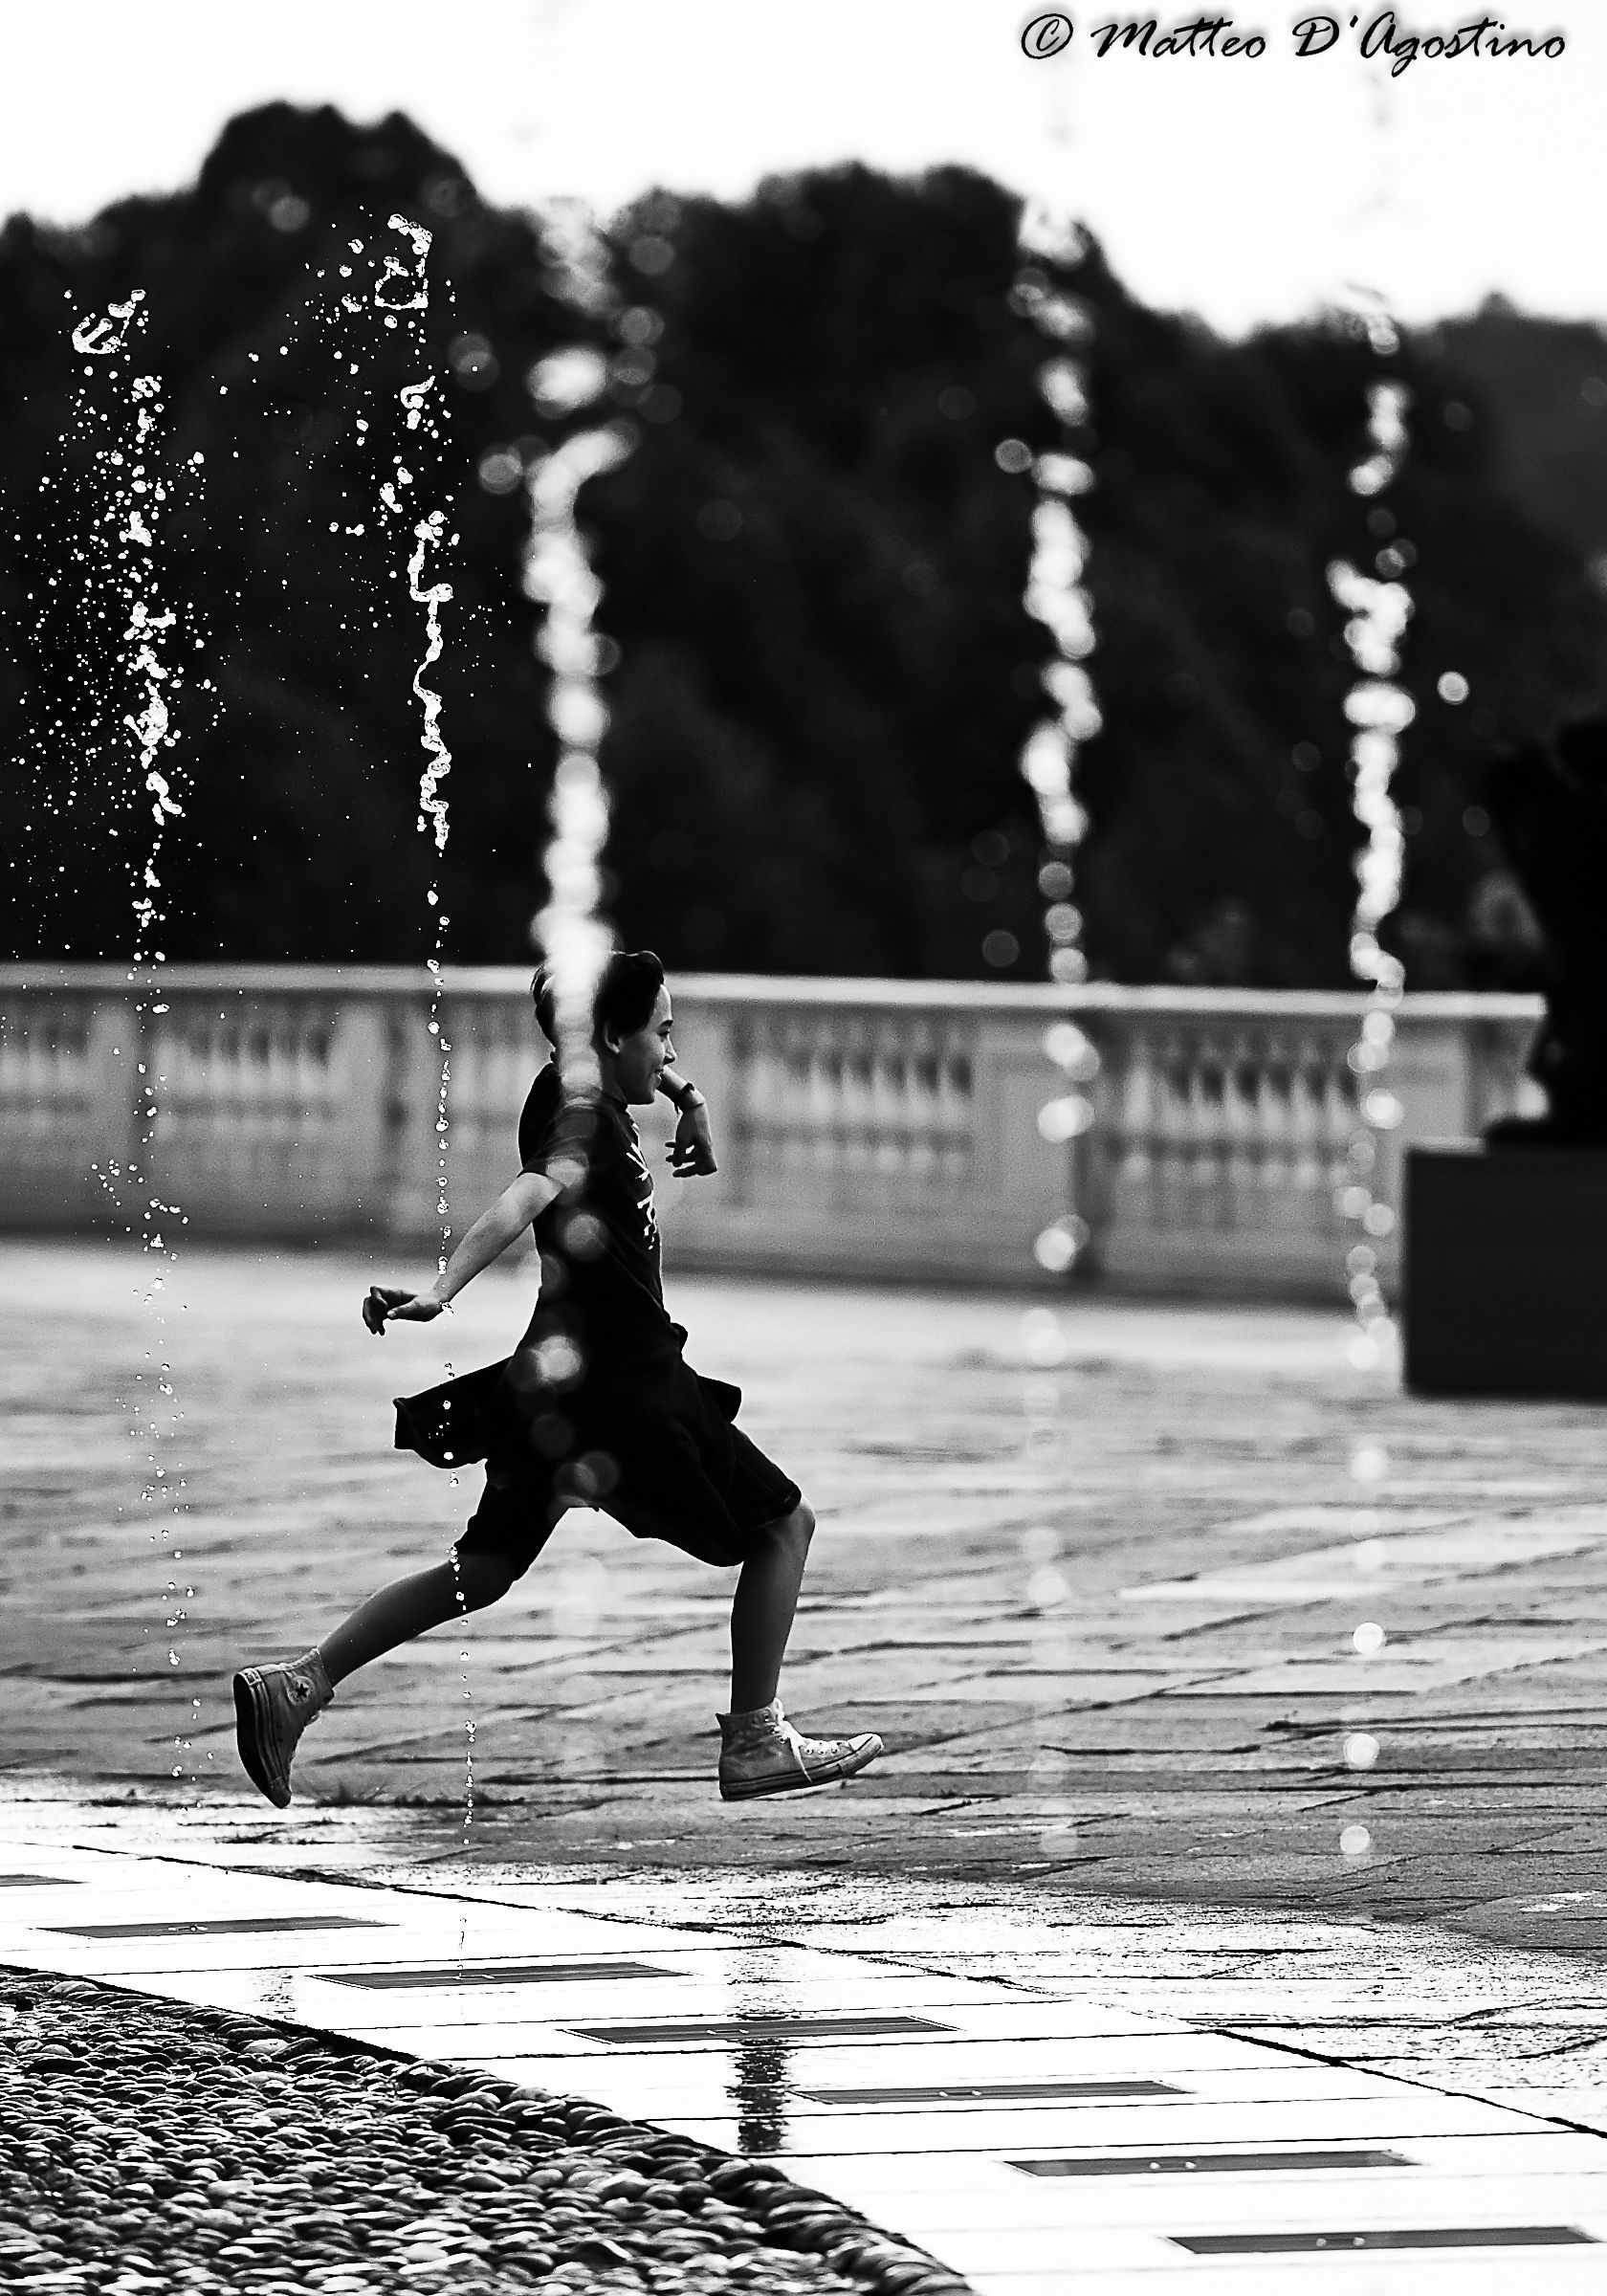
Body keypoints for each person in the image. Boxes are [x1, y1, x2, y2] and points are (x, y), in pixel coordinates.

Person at [231, 949, 882, 1810]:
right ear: (611, 1039)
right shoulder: (583, 1122)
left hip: (556, 1390)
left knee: (484, 1569)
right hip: (625, 1391)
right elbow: (526, 1197)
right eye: (661, 1035)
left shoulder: (569, 1087)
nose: (670, 1053)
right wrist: (442, 1291)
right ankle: (756, 1738)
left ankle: (299, 1685)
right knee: (784, 1525)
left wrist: (689, 1100)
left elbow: (627, 1075)